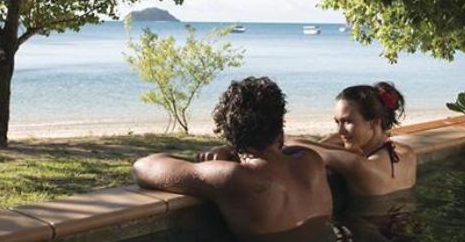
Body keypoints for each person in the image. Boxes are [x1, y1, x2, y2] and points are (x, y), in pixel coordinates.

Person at [132, 77, 344, 242]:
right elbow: (282, 154)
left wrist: (224, 156)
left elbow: (143, 167)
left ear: (230, 135)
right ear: (280, 127)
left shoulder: (234, 177)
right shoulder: (311, 161)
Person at [287, 82, 416, 197]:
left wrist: (324, 143)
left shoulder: (359, 166)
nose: (340, 130)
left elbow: (295, 144)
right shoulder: (408, 154)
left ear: (374, 122)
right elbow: (340, 137)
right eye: (338, 122)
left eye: (348, 122)